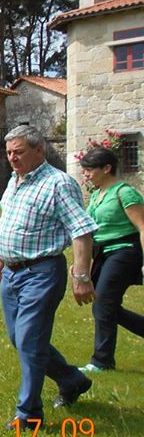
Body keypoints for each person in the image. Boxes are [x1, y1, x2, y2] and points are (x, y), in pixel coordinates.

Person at [0, 125, 98, 428]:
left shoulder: (58, 184)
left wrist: (81, 276)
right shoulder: (15, 180)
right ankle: (72, 380)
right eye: (9, 153)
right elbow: (11, 221)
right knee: (20, 339)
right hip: (11, 274)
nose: (12, 158)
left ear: (40, 150)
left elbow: (81, 230)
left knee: (29, 341)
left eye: (19, 152)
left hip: (41, 273)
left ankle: (29, 415)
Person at [78, 146, 144, 372]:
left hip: (124, 252)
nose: (85, 174)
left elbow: (142, 227)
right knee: (105, 306)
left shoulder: (124, 193)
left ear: (106, 168)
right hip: (102, 254)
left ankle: (102, 361)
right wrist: (80, 262)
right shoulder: (97, 195)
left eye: (89, 170)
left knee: (104, 304)